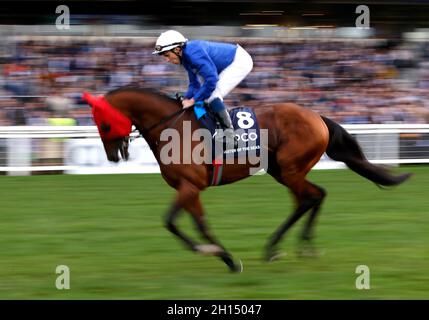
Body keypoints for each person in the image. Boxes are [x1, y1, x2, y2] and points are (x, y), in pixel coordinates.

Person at [153, 30, 253, 147]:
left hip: (240, 61)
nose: (167, 60)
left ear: (177, 49)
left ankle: (230, 137)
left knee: (212, 95)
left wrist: (192, 100)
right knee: (204, 96)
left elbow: (211, 80)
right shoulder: (185, 57)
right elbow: (194, 84)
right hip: (228, 62)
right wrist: (186, 98)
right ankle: (213, 128)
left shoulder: (193, 54)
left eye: (167, 55)